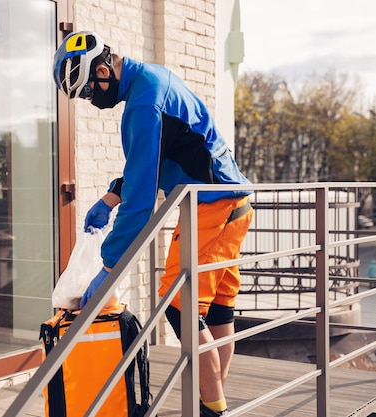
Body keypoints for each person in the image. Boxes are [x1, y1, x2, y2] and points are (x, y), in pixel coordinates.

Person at [53, 30, 253, 417]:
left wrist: (108, 268)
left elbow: (142, 199)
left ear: (102, 68)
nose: (93, 101)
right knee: (217, 310)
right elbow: (153, 161)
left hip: (210, 205)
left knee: (179, 306)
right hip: (233, 201)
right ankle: (213, 401)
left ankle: (212, 410)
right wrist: (111, 197)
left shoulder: (142, 105)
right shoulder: (152, 79)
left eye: (90, 91)